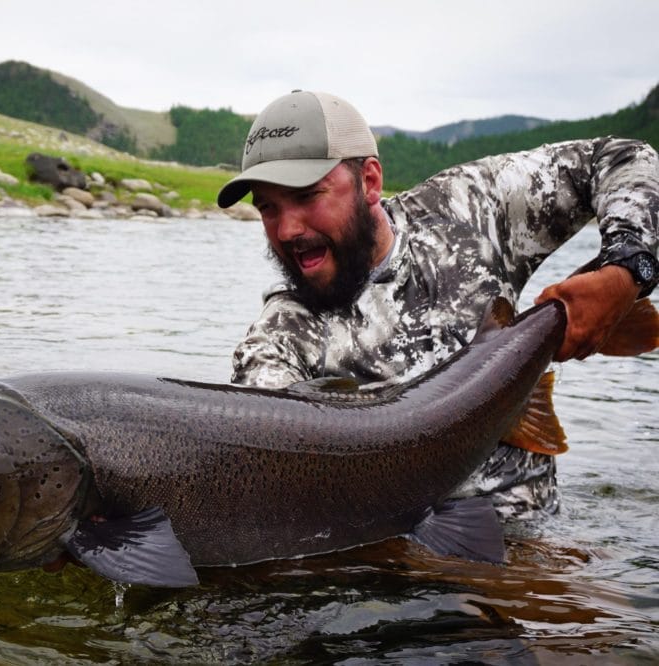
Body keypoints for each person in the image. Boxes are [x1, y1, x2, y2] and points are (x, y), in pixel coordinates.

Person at [218, 90, 659, 519]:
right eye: (268, 208)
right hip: (406, 572)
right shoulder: (279, 339)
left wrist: (625, 271)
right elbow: (262, 471)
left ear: (369, 181)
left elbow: (623, 158)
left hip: (540, 544)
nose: (288, 228)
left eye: (307, 196)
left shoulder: (471, 209)